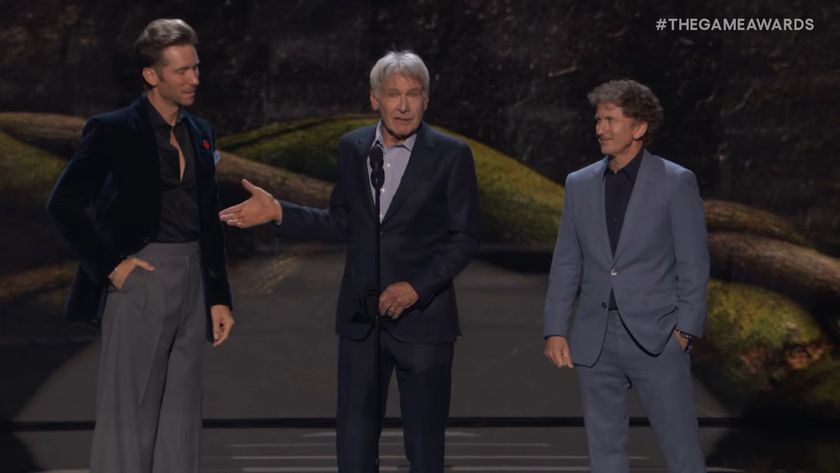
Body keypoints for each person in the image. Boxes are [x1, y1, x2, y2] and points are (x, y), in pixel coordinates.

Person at [219, 50, 480, 473]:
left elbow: (465, 237)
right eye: (393, 94)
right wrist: (280, 212)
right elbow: (343, 222)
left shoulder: (452, 154)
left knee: (425, 448)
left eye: (413, 94)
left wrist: (416, 287)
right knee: (355, 448)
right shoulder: (354, 147)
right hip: (361, 323)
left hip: (425, 324)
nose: (403, 105)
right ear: (374, 98)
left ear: (427, 100)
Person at [46, 18, 234, 473]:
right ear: (152, 75)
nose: (195, 79)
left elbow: (207, 220)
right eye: (182, 71)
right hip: (141, 280)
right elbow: (64, 205)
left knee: (182, 414)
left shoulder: (201, 130)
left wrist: (219, 297)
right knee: (128, 418)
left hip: (193, 283)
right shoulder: (113, 130)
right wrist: (112, 266)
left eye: (195, 68)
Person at [543, 79, 709, 473]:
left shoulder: (675, 182)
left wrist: (684, 331)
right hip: (595, 339)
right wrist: (555, 329)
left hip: (658, 336)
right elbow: (567, 260)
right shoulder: (579, 184)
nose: (601, 128)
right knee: (605, 453)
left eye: (611, 120)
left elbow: (694, 263)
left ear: (639, 127)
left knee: (681, 449)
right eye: (599, 119)